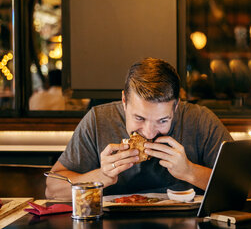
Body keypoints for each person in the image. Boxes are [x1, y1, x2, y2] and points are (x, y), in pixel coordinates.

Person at [45, 57, 232, 199]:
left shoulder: (200, 120)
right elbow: (52, 189)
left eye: (162, 120)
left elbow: (248, 188)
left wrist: (190, 171)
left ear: (176, 107)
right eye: (139, 118)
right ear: (124, 102)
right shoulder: (98, 120)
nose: (149, 132)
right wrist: (102, 176)